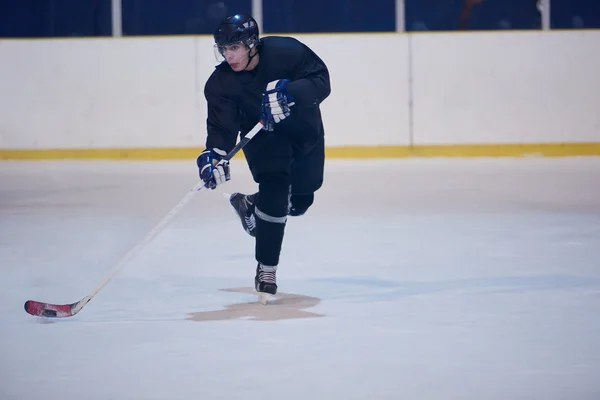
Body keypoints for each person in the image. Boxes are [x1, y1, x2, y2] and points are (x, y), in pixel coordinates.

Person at [196, 14, 331, 297]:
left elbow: (321, 80)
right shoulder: (220, 83)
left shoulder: (288, 52)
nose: (228, 56)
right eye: (223, 49)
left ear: (252, 43)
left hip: (303, 131)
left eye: (234, 48)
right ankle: (266, 268)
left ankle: (250, 205)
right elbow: (221, 126)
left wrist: (290, 92)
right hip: (262, 138)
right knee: (275, 189)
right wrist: (215, 155)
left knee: (301, 200)